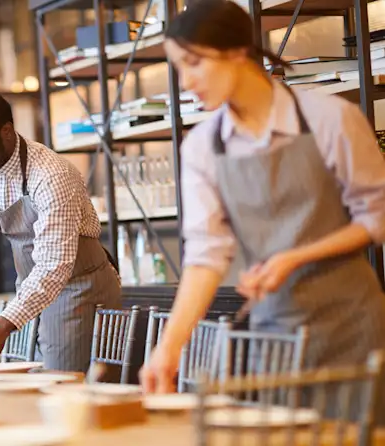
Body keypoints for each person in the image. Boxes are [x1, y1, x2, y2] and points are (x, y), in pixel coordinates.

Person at [139, 0, 385, 409]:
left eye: (193, 63)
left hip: (353, 330)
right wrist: (169, 348)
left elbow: (377, 214)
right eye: (178, 68)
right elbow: (205, 256)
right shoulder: (202, 147)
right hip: (273, 336)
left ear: (237, 50)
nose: (185, 82)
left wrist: (294, 257)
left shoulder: (330, 119)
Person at [0, 88, 121, 372]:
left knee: (57, 388)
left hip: (76, 287)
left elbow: (54, 265)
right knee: (25, 383)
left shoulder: (52, 174)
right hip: (30, 286)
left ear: (6, 132)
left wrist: (3, 325)